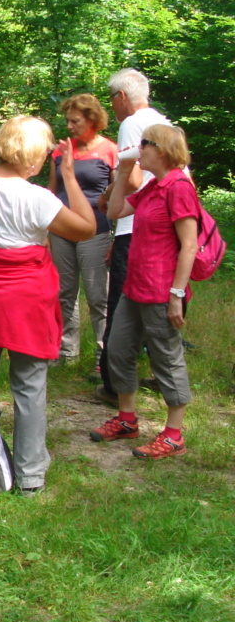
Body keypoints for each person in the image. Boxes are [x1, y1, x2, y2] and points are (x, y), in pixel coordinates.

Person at [0, 116, 96, 496]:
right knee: (29, 384)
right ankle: (30, 477)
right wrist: (71, 178)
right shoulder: (37, 197)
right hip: (27, 298)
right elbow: (87, 228)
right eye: (45, 152)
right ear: (32, 154)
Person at [90, 125, 197, 459]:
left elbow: (190, 245)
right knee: (119, 350)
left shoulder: (178, 187)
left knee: (166, 357)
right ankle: (127, 420)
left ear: (161, 149)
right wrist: (122, 173)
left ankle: (174, 435)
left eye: (144, 144)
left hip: (161, 290)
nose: (139, 148)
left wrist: (177, 294)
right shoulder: (154, 186)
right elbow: (114, 211)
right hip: (134, 286)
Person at [96, 69, 172, 405]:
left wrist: (109, 192)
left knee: (122, 306)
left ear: (121, 97)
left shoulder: (132, 123)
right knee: (156, 304)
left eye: (111, 99)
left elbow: (134, 177)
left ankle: (114, 384)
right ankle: (161, 373)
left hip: (138, 228)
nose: (112, 107)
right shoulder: (162, 122)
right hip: (164, 230)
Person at [48, 94, 118, 374]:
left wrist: (116, 234)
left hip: (95, 230)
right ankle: (67, 353)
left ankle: (103, 355)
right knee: (64, 292)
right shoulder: (60, 151)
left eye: (75, 121)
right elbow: (52, 192)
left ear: (92, 120)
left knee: (97, 294)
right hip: (61, 229)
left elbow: (119, 194)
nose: (69, 126)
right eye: (67, 120)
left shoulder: (110, 150)